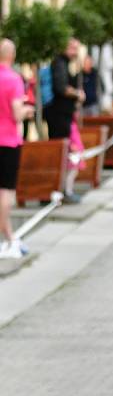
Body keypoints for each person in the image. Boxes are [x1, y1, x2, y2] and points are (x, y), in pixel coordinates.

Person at [0, 38, 33, 258]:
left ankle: (8, 236)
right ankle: (8, 237)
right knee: (6, 191)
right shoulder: (13, 79)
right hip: (8, 141)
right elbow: (16, 113)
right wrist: (28, 110)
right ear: (12, 55)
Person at [43, 37, 85, 204]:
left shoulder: (65, 63)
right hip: (59, 116)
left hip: (64, 116)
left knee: (66, 152)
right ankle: (61, 191)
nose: (75, 52)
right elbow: (61, 87)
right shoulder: (59, 63)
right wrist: (77, 94)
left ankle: (62, 190)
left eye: (76, 48)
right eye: (72, 48)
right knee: (65, 152)